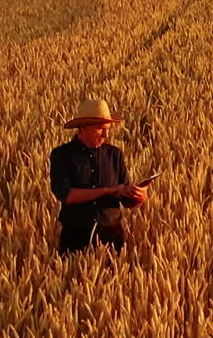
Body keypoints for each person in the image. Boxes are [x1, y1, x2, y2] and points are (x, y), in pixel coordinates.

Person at [50, 98, 149, 256]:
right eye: (100, 129)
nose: (105, 134)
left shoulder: (114, 154)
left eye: (108, 129)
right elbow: (66, 195)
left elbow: (125, 197)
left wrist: (138, 196)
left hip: (111, 235)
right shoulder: (62, 155)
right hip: (75, 236)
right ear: (82, 128)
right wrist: (106, 191)